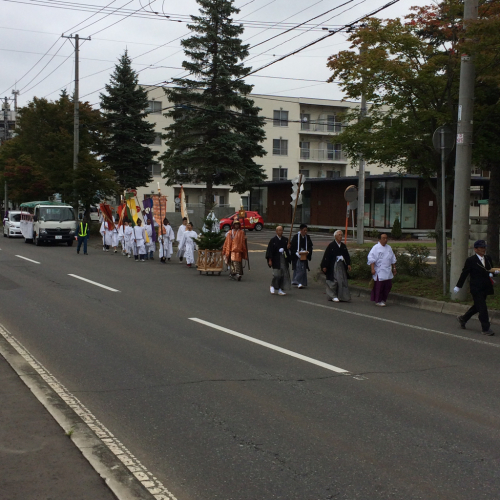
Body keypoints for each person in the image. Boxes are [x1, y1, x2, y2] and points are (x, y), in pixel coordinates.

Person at [455, 240, 499, 336]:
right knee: (482, 308)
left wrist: (493, 273)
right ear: (475, 249)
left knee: (477, 306)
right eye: (481, 247)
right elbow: (464, 273)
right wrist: (458, 286)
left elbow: (489, 270)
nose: (483, 249)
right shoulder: (471, 260)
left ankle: (463, 318)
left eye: (484, 247)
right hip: (476, 288)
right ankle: (486, 328)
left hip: (485, 287)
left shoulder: (487, 258)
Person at [367, 232, 397, 306]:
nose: (385, 240)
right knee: (379, 287)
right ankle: (378, 300)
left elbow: (392, 258)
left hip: (387, 270)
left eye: (386, 238)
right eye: (383, 238)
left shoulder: (389, 248)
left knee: (388, 286)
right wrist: (372, 269)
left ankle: (384, 299)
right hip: (379, 270)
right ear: (379, 239)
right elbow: (371, 258)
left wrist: (394, 268)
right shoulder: (375, 248)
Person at [321, 230, 351, 302]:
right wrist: (324, 266)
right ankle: (332, 296)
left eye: (341, 235)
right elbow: (326, 256)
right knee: (333, 281)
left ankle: (342, 296)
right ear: (335, 236)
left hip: (341, 265)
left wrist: (348, 264)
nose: (341, 236)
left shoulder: (343, 246)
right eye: (339, 235)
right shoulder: (331, 245)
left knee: (342, 281)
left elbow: (347, 255)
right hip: (333, 265)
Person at [265, 226, 291, 296]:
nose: (280, 232)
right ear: (276, 231)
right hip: (276, 259)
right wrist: (270, 260)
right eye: (279, 230)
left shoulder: (285, 240)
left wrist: (288, 247)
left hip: (283, 258)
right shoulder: (273, 240)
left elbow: (288, 250)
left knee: (282, 275)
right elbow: (269, 251)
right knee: (276, 275)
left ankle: (280, 289)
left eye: (281, 230)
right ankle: (272, 285)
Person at [290, 223, 313, 289]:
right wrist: (296, 253)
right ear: (301, 230)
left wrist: (308, 251)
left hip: (304, 255)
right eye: (304, 230)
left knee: (303, 268)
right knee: (298, 268)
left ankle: (300, 282)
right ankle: (297, 281)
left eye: (306, 230)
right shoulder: (296, 237)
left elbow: (310, 246)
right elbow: (293, 246)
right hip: (297, 255)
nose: (305, 232)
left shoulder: (307, 237)